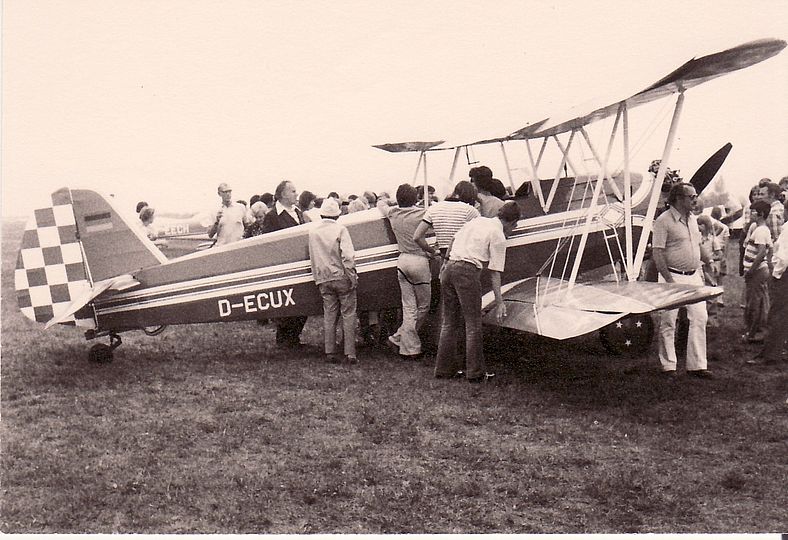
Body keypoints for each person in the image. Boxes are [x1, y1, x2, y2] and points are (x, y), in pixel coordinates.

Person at [433, 202, 521, 383]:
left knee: (449, 322)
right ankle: (475, 373)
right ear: (512, 222)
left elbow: (453, 241)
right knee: (473, 323)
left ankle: (443, 369)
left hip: (449, 267)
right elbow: (495, 272)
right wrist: (499, 302)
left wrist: (445, 263)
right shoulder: (498, 235)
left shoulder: (477, 221)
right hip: (467, 271)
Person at [651, 183, 712, 379]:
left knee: (700, 318)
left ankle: (697, 366)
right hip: (672, 276)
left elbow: (698, 244)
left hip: (693, 276)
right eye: (691, 196)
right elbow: (658, 252)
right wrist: (668, 279)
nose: (695, 200)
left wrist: (709, 261)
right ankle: (668, 366)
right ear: (678, 198)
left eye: (695, 196)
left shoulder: (693, 219)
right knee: (669, 321)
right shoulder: (663, 221)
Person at [378, 184, 432, 359]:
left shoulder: (393, 213)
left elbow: (381, 203)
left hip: (402, 260)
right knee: (423, 306)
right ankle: (410, 347)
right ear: (415, 198)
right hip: (419, 260)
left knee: (409, 307)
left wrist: (391, 200)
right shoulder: (423, 213)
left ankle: (399, 337)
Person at [308, 197, 358, 364]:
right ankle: (350, 353)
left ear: (322, 215)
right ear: (337, 215)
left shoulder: (313, 232)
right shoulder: (341, 230)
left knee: (329, 314)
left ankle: (330, 351)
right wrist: (352, 276)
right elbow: (348, 256)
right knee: (348, 313)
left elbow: (313, 257)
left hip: (323, 278)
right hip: (341, 276)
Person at [262, 180, 308, 347]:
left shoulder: (298, 212)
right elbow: (267, 242)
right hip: (284, 265)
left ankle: (294, 337)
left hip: (299, 263)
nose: (296, 194)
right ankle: (285, 339)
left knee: (301, 302)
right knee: (287, 304)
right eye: (293, 191)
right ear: (282, 194)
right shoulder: (272, 216)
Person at [751, 220, 788, 365]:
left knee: (777, 315)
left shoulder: (787, 228)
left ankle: (771, 355)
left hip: (784, 275)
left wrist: (776, 274)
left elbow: (784, 258)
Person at [741, 200, 773, 343]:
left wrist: (751, 270)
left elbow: (761, 253)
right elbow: (769, 249)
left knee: (754, 304)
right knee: (758, 302)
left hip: (757, 272)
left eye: (753, 212)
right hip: (758, 271)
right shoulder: (761, 229)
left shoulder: (760, 231)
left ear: (760, 214)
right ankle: (756, 331)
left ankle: (752, 334)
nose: (751, 214)